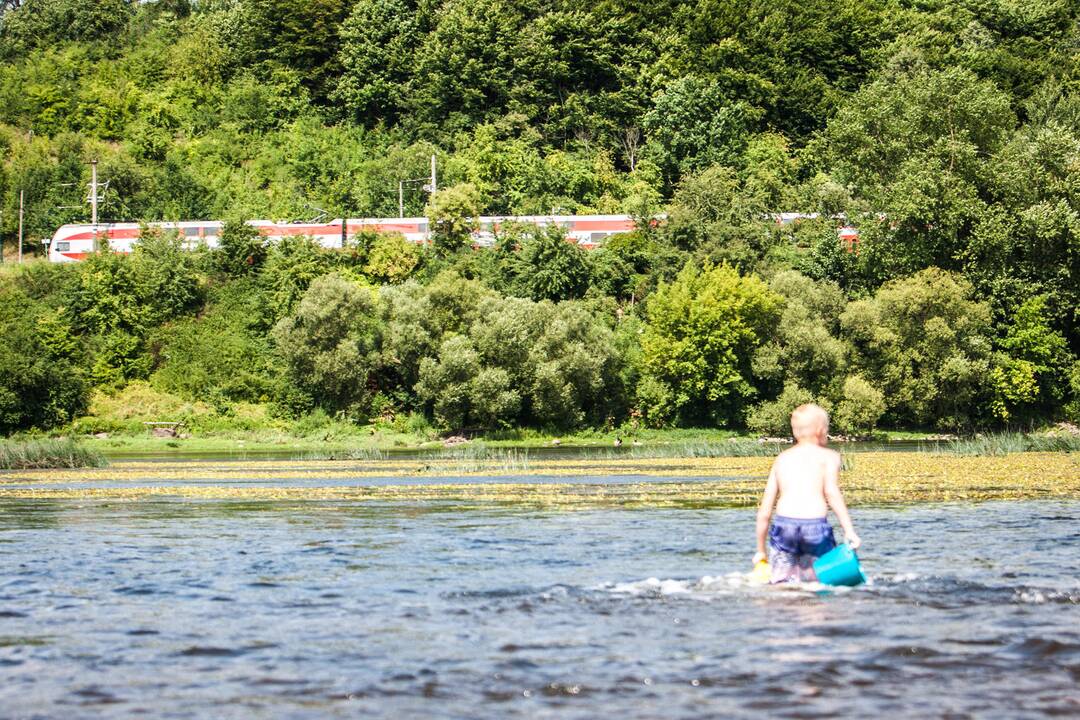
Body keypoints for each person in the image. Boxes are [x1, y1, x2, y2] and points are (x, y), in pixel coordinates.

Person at [752, 403, 861, 583]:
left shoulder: (782, 459)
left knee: (781, 580)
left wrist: (760, 551)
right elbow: (832, 493)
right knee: (819, 579)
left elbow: (764, 511)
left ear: (796, 432)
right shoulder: (829, 457)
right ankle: (815, 610)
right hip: (815, 527)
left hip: (784, 526)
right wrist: (849, 530)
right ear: (820, 430)